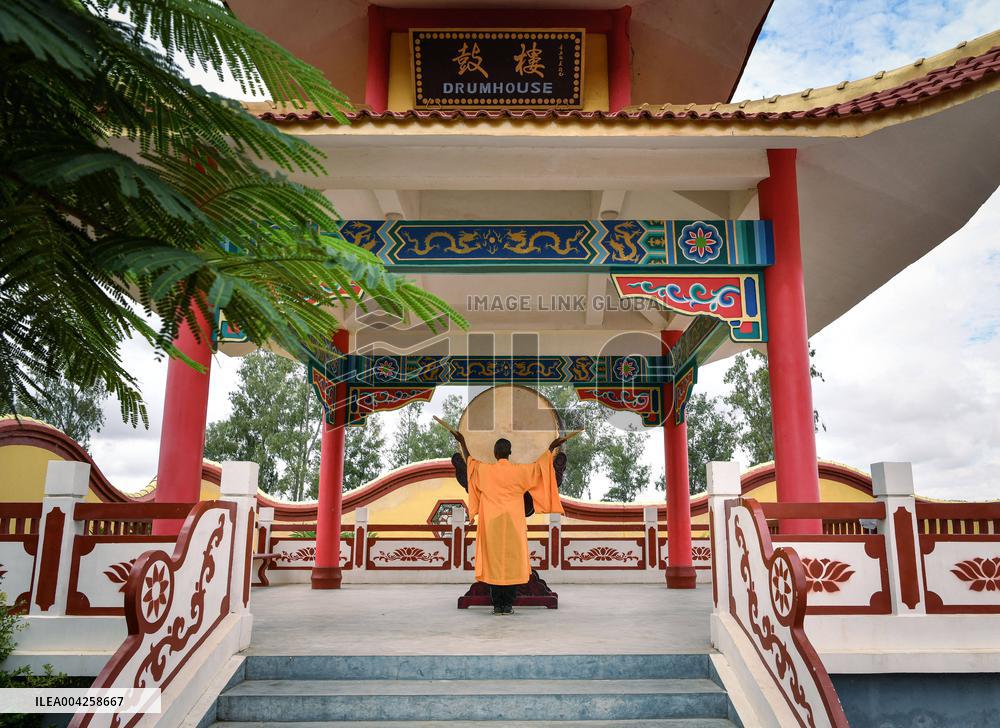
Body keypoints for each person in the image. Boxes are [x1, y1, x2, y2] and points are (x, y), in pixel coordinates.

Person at [449, 431, 567, 615]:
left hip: (491, 524)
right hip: (513, 523)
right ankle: (508, 605)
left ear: (495, 454)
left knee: (494, 562)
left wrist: (462, 441)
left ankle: (497, 605)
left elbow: (469, 461)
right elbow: (539, 467)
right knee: (512, 561)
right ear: (510, 452)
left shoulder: (485, 470)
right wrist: (551, 447)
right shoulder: (519, 471)